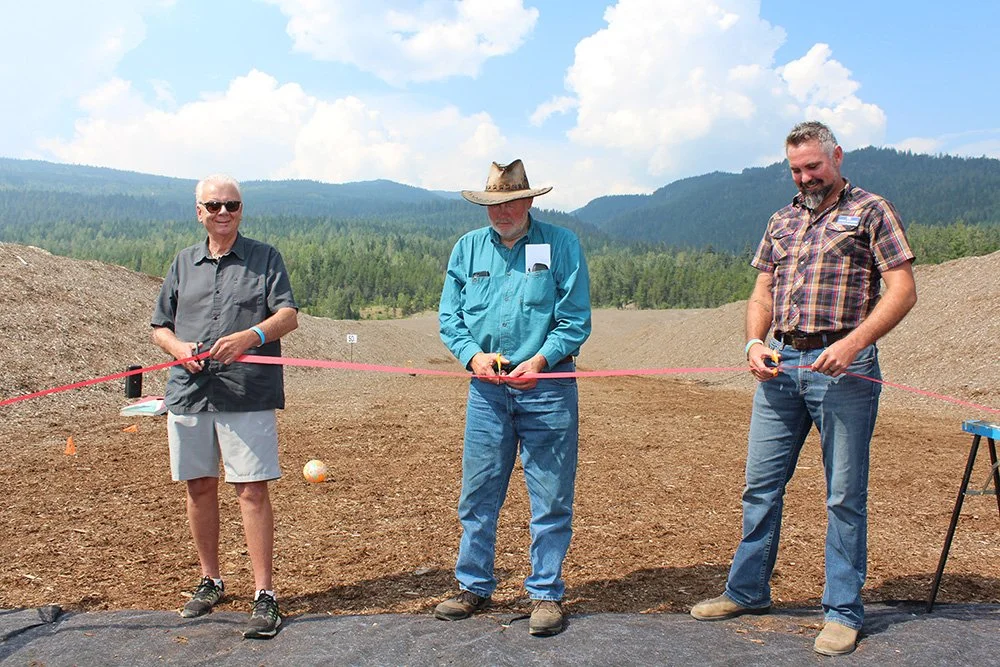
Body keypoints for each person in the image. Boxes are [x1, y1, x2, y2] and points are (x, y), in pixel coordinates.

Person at [690, 121, 917, 656]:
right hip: (781, 363)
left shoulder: (871, 210)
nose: (805, 176)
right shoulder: (782, 219)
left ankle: (842, 611)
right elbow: (762, 290)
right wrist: (753, 343)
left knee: (843, 495)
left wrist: (853, 344)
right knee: (760, 486)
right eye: (795, 168)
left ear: (836, 156)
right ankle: (747, 591)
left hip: (843, 367)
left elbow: (903, 290)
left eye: (813, 165)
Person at [436, 159, 592, 636]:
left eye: (511, 201)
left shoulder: (560, 245)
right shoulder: (467, 249)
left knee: (550, 496)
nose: (502, 211)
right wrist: (471, 358)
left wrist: (541, 361)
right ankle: (473, 585)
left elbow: (575, 319)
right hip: (486, 392)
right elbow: (450, 318)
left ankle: (545, 593)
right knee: (478, 494)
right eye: (493, 204)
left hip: (547, 389)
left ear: (529, 201)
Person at [151, 174, 298, 639]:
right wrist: (178, 350)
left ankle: (265, 595)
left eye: (231, 205)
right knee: (199, 487)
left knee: (251, 491)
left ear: (241, 210)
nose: (222, 213)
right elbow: (160, 326)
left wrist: (251, 337)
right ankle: (210, 580)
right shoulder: (182, 263)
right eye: (213, 205)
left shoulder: (265, 257)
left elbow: (288, 315)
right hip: (190, 394)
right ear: (198, 211)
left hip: (246, 392)